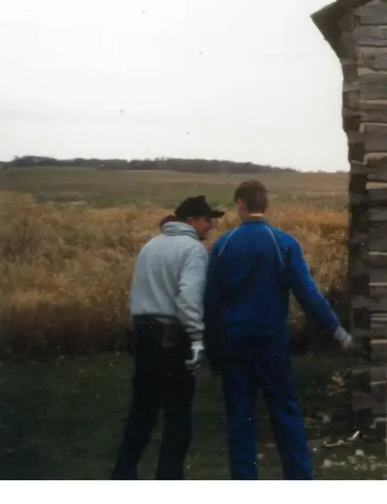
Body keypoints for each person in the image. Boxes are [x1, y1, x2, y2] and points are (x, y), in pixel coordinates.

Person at [204, 180, 354, 480]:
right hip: (270, 341)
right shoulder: (283, 243)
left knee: (240, 418)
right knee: (285, 412)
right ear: (265, 205)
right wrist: (338, 331)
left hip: (234, 341)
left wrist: (212, 347)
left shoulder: (223, 245)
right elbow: (308, 295)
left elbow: (210, 302)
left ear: (241, 205)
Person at [111, 195, 222, 480]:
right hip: (173, 338)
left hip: (144, 334)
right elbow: (188, 299)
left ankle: (122, 478)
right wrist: (197, 340)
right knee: (178, 417)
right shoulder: (194, 250)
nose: (210, 225)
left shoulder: (151, 245)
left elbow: (136, 293)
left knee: (142, 413)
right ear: (190, 221)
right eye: (206, 219)